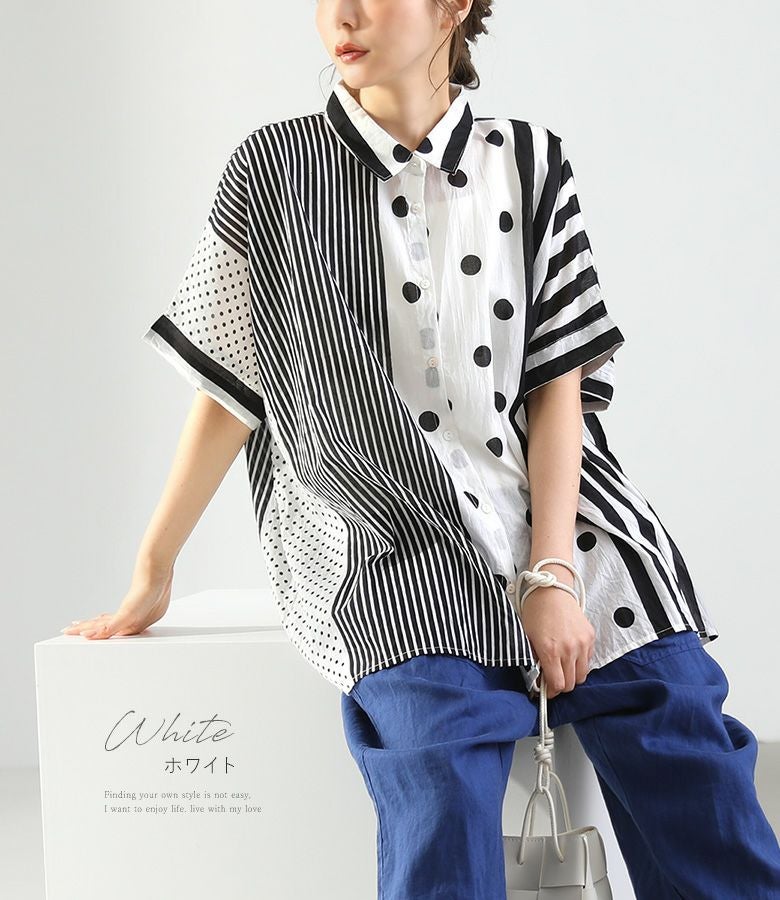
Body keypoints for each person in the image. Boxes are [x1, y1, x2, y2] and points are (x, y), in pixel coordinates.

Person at [62, 1, 780, 897]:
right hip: (383, 533)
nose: (342, 15)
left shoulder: (530, 162)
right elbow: (228, 389)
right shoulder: (273, 172)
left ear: (453, 7)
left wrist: (552, 574)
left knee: (680, 727)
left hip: (563, 516)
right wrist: (153, 567)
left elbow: (559, 386)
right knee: (440, 768)